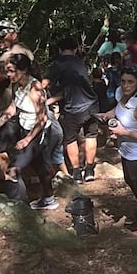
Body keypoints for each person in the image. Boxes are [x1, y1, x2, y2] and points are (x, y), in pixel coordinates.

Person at [0, 54, 58, 210]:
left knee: (14, 169)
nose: (8, 75)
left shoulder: (35, 88)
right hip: (25, 128)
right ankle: (49, 199)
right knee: (39, 165)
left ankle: (20, 208)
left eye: (11, 71)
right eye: (7, 71)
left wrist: (27, 139)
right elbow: (12, 109)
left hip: (38, 133)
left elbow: (43, 119)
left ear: (23, 70)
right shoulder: (16, 84)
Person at [103, 66, 137, 233]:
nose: (126, 85)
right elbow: (118, 109)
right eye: (123, 81)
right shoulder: (122, 96)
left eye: (130, 82)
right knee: (129, 179)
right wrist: (108, 114)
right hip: (126, 150)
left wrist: (124, 132)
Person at [46, 37, 101, 183]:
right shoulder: (80, 62)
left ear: (59, 50)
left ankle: (76, 172)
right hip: (91, 104)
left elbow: (44, 83)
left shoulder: (57, 64)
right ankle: (89, 170)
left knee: (70, 139)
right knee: (91, 136)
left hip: (72, 108)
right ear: (75, 49)